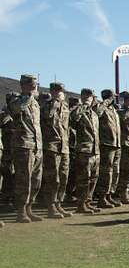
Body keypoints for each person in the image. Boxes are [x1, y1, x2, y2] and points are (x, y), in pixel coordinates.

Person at [8, 74, 44, 222]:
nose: (35, 87)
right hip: (23, 145)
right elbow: (16, 109)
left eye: (36, 84)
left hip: (36, 145)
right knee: (24, 180)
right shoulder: (16, 99)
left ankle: (29, 208)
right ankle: (21, 211)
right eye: (32, 84)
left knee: (36, 180)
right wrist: (29, 96)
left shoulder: (35, 103)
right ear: (24, 85)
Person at [41, 82, 72, 218]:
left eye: (62, 91)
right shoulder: (47, 105)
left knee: (63, 177)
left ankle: (59, 203)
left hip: (64, 147)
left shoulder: (65, 107)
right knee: (53, 178)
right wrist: (54, 102)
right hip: (51, 146)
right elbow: (47, 116)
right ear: (52, 92)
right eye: (58, 91)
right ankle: (51, 206)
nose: (61, 93)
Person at [71, 88, 101, 214]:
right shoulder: (78, 110)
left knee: (93, 178)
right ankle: (80, 204)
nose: (91, 98)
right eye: (88, 96)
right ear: (82, 96)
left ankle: (88, 202)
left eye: (92, 97)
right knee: (83, 178)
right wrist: (84, 104)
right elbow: (73, 119)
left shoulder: (94, 114)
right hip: (84, 150)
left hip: (95, 150)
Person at [95, 89, 121, 208]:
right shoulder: (102, 107)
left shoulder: (113, 109)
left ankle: (109, 194)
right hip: (106, 144)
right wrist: (105, 102)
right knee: (106, 172)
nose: (114, 99)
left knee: (114, 172)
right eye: (112, 97)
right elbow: (97, 113)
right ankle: (102, 197)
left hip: (116, 144)